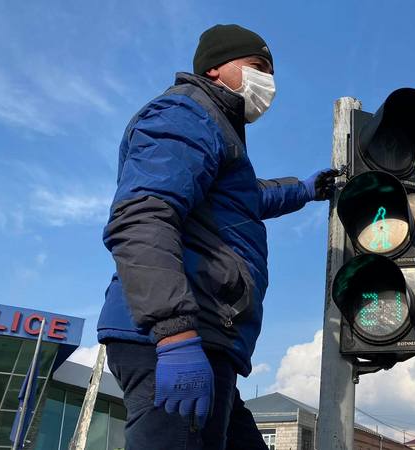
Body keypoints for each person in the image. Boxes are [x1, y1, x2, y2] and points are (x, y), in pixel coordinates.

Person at [96, 24, 337, 450]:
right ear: (213, 69)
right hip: (177, 337)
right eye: (257, 66)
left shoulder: (217, 131)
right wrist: (174, 333)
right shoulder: (185, 115)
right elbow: (142, 217)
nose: (269, 83)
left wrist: (306, 188)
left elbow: (243, 200)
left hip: (209, 337)